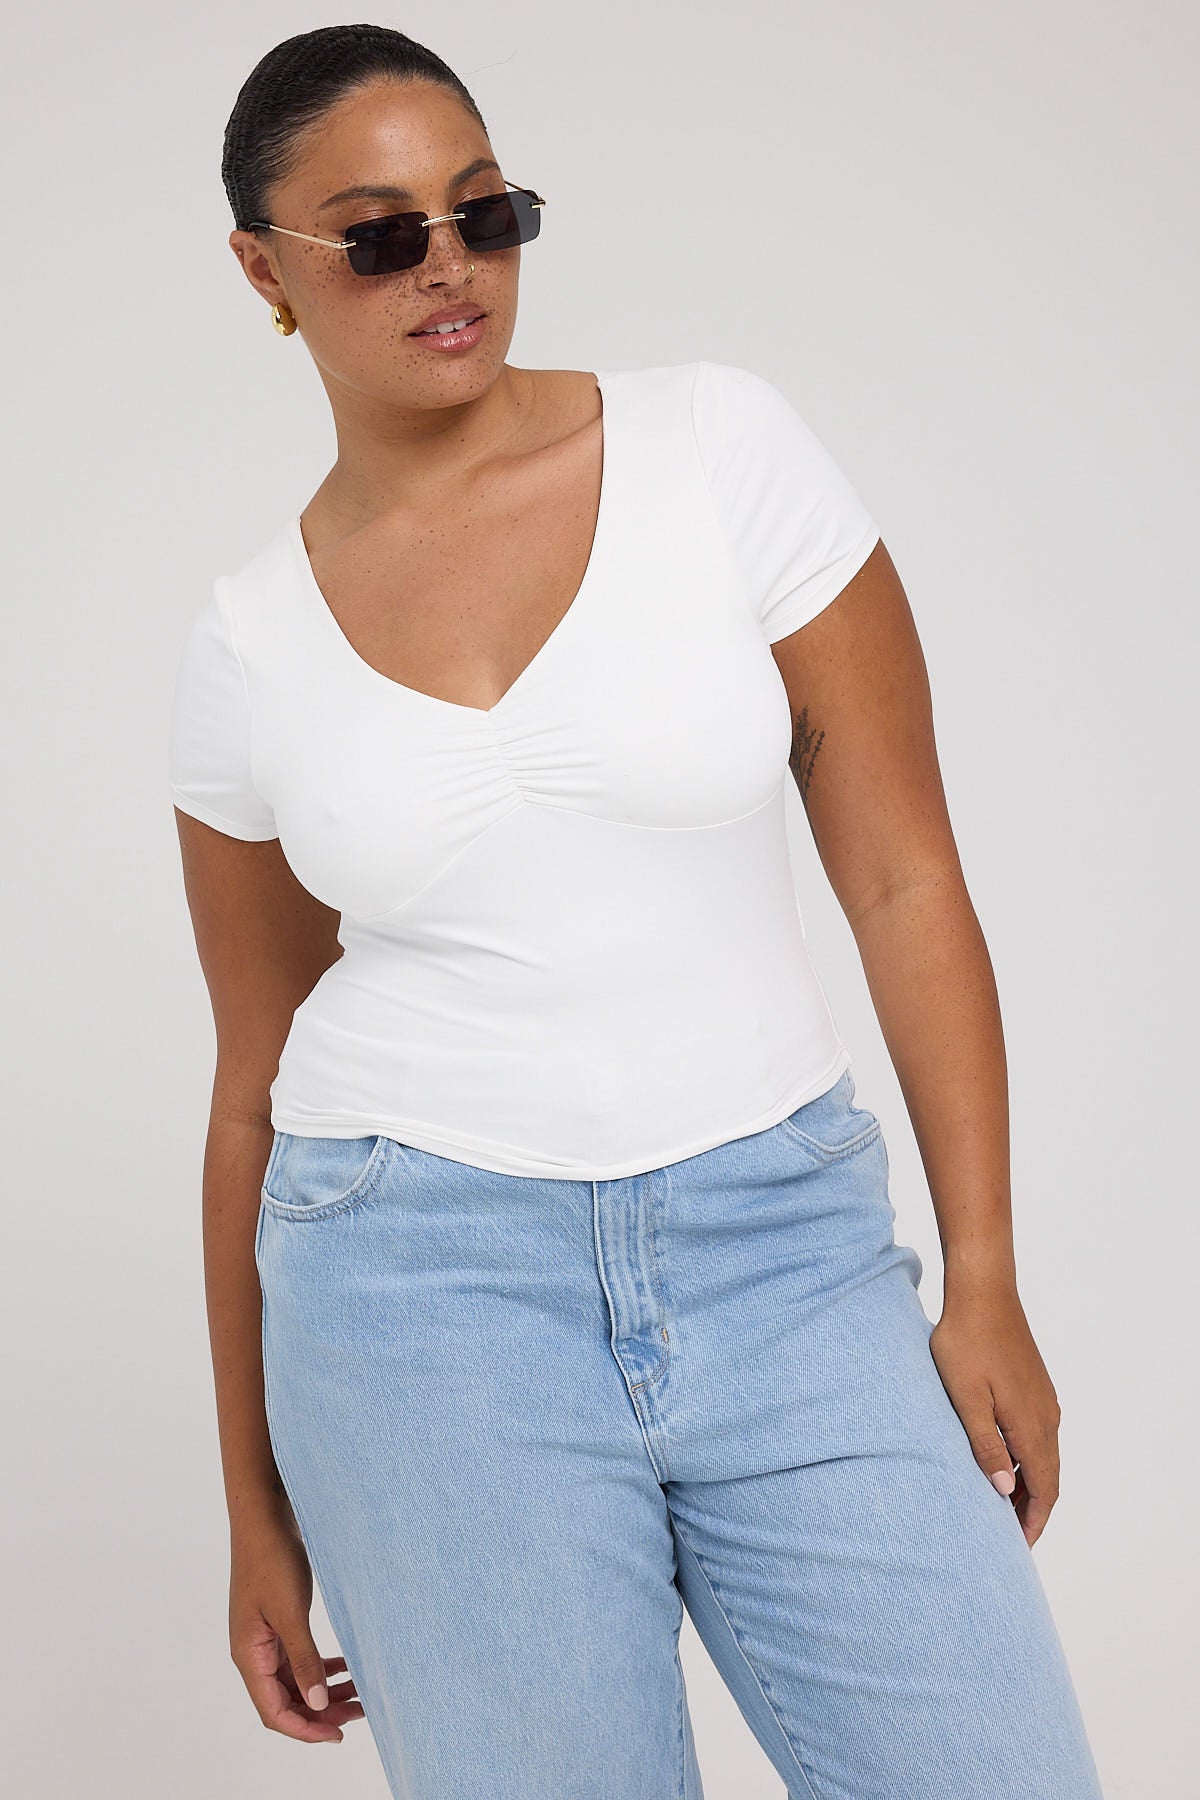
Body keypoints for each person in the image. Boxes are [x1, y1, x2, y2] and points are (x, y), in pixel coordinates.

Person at [167, 23, 1105, 1800]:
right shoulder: (247, 643)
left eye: (485, 213)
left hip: (788, 1254)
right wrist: (255, 1510)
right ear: (263, 271)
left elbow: (904, 874)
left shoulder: (719, 447)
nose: (450, 265)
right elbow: (248, 1089)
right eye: (379, 234)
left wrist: (982, 1274)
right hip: (417, 1295)